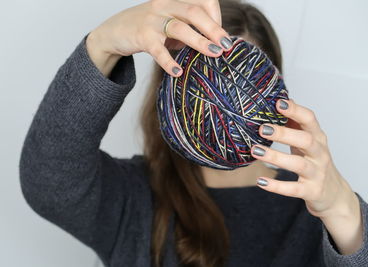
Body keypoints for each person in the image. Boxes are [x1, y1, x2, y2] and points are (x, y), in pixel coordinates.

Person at [19, 0, 368, 266]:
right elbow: (49, 181)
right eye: (212, 79)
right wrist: (103, 45)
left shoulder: (313, 208)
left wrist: (346, 215)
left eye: (244, 82)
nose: (229, 101)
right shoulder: (136, 198)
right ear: (171, 92)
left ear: (277, 88)